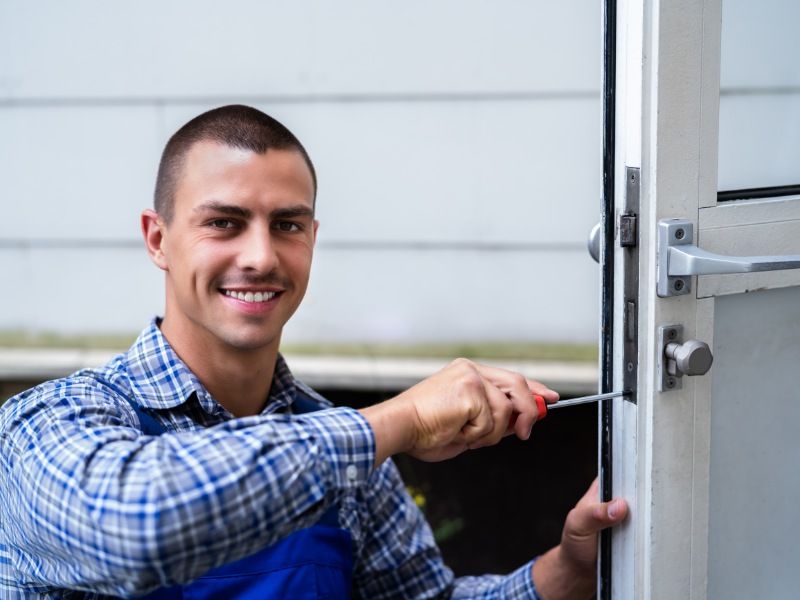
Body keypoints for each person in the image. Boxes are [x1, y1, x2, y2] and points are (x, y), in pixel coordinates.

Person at [0, 105, 627, 599]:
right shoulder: (48, 425)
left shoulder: (349, 449)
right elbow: (134, 529)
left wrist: (569, 568)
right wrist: (397, 421)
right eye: (223, 222)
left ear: (313, 238)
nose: (261, 256)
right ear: (157, 238)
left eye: (287, 225)